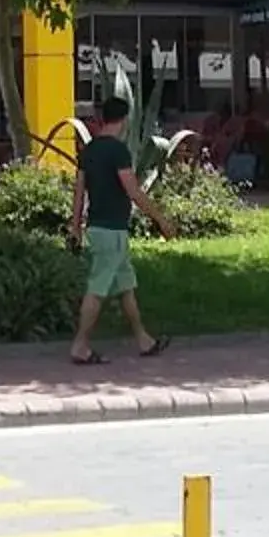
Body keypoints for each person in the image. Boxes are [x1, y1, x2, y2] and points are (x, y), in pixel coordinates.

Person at [66, 92, 174, 365]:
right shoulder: (118, 151)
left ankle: (144, 340)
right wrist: (161, 219)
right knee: (97, 288)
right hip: (111, 230)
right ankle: (80, 346)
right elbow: (133, 191)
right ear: (124, 120)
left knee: (126, 287)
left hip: (99, 228)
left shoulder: (89, 151)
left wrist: (75, 226)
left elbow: (79, 193)